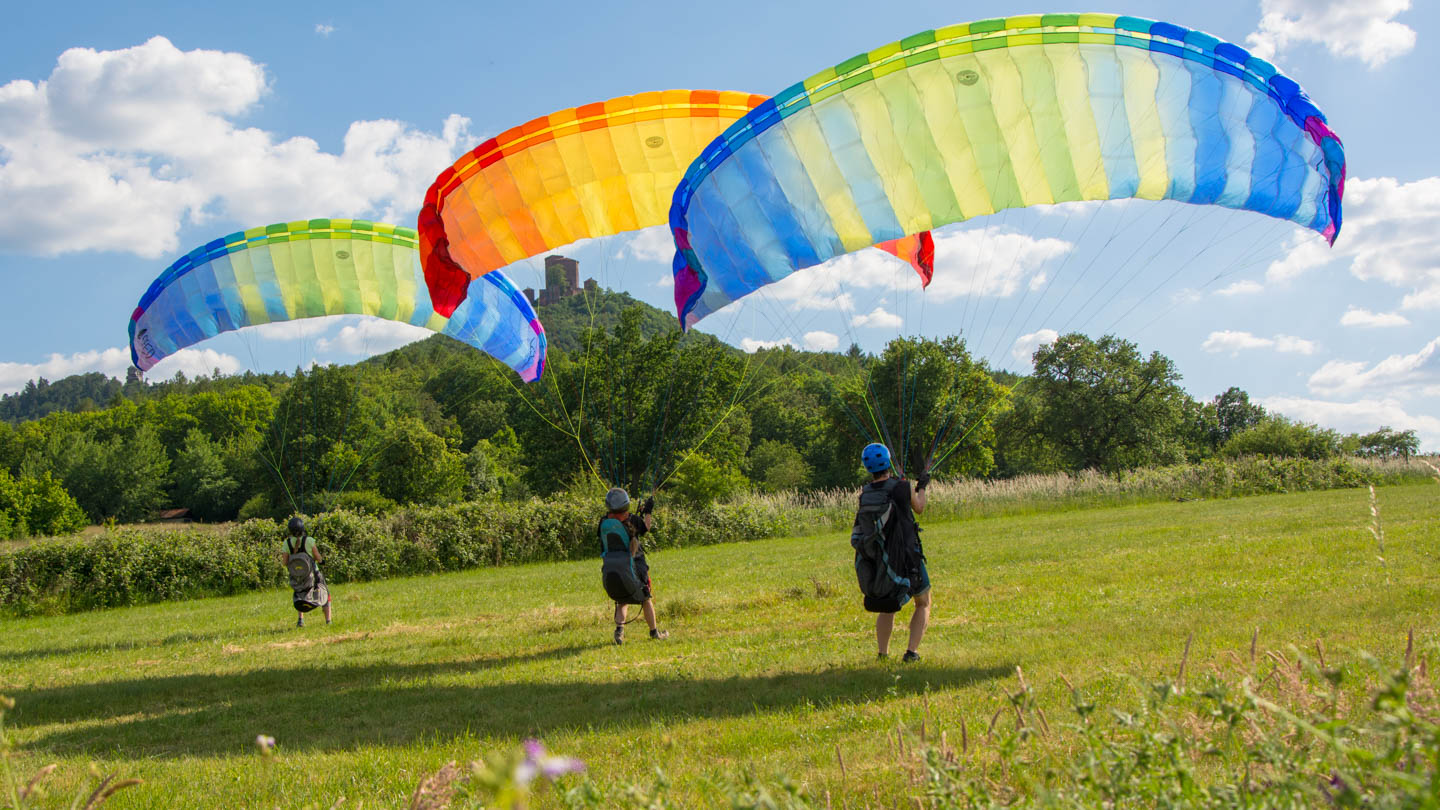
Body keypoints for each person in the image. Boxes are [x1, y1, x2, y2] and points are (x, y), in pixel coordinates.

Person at [860, 443, 930, 663]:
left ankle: (883, 654)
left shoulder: (865, 493)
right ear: (888, 462)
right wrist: (922, 487)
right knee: (923, 602)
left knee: (888, 605)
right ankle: (911, 652)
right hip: (908, 555)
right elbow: (918, 507)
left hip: (883, 559)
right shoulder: (902, 487)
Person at [598, 488, 668, 644]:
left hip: (612, 566)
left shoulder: (604, 522)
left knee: (622, 600)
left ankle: (619, 631)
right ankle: (654, 632)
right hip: (635, 565)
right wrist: (648, 511)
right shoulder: (633, 520)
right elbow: (646, 527)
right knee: (646, 598)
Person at [281, 517, 332, 627]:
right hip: (314, 574)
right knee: (325, 594)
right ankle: (328, 621)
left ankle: (300, 621)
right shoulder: (309, 540)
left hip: (297, 576)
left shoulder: (287, 543)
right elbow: (318, 557)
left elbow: (284, 562)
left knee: (300, 596)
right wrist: (322, 561)